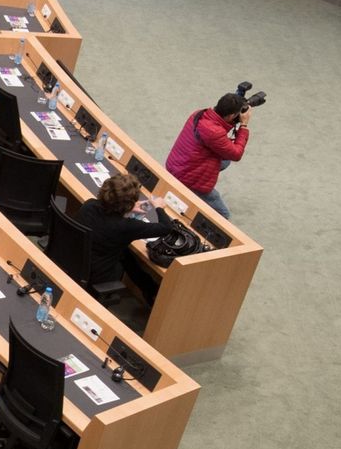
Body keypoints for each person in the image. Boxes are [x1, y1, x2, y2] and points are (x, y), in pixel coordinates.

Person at [77, 173, 173, 305]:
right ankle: (151, 290)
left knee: (125, 253)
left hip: (73, 259)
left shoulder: (89, 205)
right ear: (129, 203)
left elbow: (109, 217)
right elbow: (166, 227)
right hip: (95, 276)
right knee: (124, 253)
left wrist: (128, 207)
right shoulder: (127, 227)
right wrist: (159, 207)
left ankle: (149, 289)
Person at [164, 91, 251, 218]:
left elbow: (219, 133)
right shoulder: (214, 132)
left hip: (177, 163)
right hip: (189, 177)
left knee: (225, 160)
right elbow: (236, 154)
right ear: (232, 115)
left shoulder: (200, 114)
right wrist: (244, 125)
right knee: (223, 214)